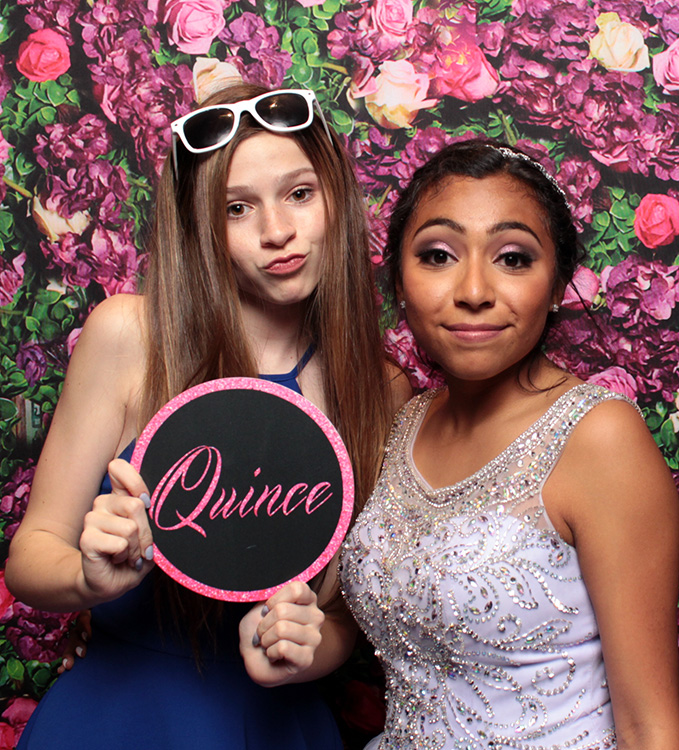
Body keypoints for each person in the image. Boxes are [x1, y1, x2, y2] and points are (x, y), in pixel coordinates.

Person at [6, 83, 407, 749]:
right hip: (118, 719)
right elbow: (30, 556)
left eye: (299, 194)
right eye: (237, 208)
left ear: (335, 194)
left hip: (277, 724)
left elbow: (339, 613)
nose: (277, 230)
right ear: (200, 225)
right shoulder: (131, 337)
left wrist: (305, 648)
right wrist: (86, 578)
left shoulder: (378, 391)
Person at [340, 140, 679, 749]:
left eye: (512, 258)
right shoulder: (400, 421)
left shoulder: (598, 437)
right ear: (400, 279)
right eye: (439, 255)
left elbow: (650, 729)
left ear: (557, 285)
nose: (474, 290)